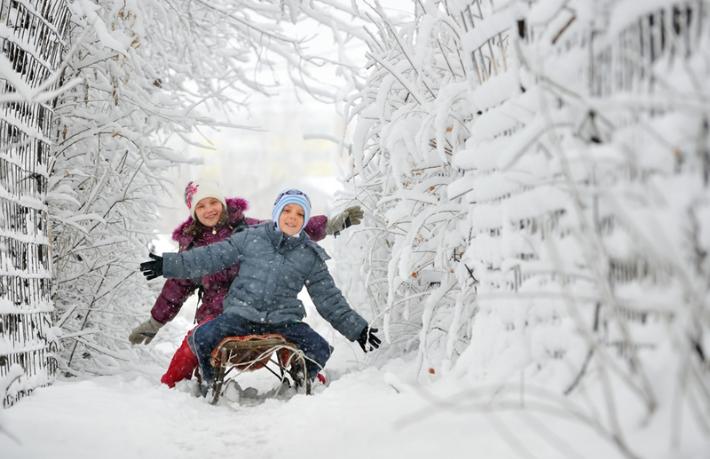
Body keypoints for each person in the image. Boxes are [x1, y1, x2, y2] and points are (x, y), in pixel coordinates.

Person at [129, 180, 363, 388]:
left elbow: (287, 225)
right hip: (222, 313)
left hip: (270, 309)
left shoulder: (247, 229)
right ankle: (172, 386)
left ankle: (302, 372)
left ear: (222, 203)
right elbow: (176, 289)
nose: (209, 209)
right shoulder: (193, 247)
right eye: (201, 206)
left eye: (213, 202)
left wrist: (331, 225)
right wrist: (155, 321)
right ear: (193, 212)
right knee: (195, 341)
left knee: (292, 339)